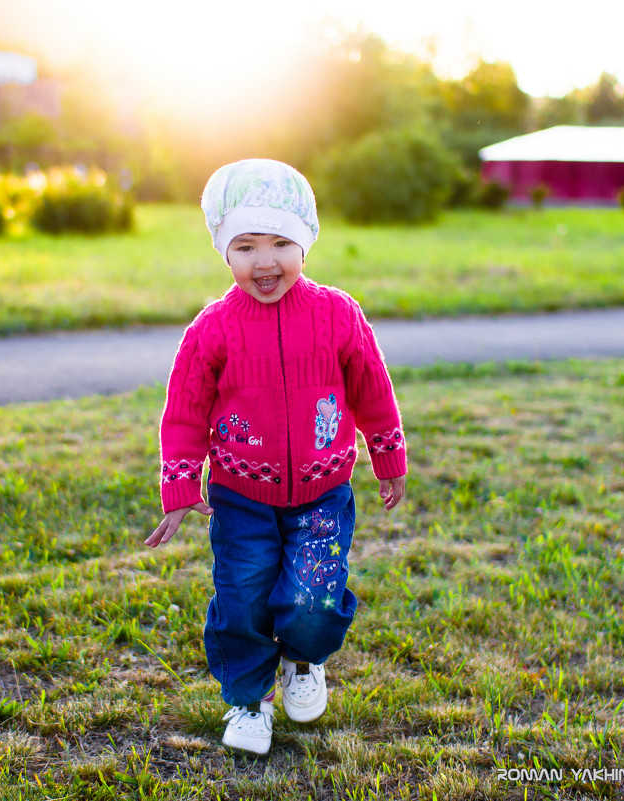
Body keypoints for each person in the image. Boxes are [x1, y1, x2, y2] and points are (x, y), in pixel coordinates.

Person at [145, 158, 407, 756]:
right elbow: (184, 411)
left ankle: (303, 659)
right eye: (246, 246)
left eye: (281, 242)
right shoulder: (211, 329)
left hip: (322, 493)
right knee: (242, 597)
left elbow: (372, 386)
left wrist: (387, 455)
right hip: (242, 496)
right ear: (224, 251)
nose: (266, 262)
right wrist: (182, 489)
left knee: (312, 599)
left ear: (306, 239)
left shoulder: (339, 314)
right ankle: (249, 699)